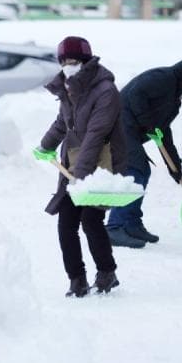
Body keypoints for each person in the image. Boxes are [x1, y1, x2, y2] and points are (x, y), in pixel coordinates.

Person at [34, 36, 127, 297]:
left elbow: (96, 136)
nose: (67, 66)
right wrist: (45, 146)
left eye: (73, 61)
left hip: (101, 164)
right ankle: (77, 279)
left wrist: (81, 176)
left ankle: (107, 272)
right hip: (74, 163)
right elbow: (62, 123)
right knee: (66, 223)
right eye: (63, 61)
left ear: (86, 61)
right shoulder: (69, 88)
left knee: (91, 220)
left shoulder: (105, 91)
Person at [105, 52, 182, 248]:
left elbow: (163, 132)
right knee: (134, 170)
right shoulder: (163, 78)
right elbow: (136, 93)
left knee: (142, 171)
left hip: (129, 128)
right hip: (118, 123)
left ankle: (131, 224)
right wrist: (149, 124)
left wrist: (175, 167)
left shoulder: (174, 99)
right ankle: (114, 226)